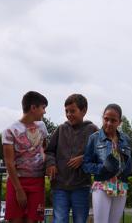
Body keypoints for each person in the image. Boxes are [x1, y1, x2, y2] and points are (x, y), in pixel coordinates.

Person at [45, 94, 98, 223]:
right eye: (66, 111)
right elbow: (49, 151)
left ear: (84, 110)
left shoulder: (93, 131)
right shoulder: (61, 129)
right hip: (59, 186)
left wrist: (84, 158)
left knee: (80, 220)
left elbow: (99, 154)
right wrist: (51, 163)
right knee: (59, 220)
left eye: (72, 111)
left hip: (81, 186)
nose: (69, 114)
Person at [2, 91, 48, 223]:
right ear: (33, 108)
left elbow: (44, 147)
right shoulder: (10, 131)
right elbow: (9, 163)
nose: (44, 112)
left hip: (37, 180)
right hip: (17, 181)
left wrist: (45, 158)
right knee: (16, 219)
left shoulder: (42, 126)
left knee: (33, 220)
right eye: (43, 108)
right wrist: (18, 190)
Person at [82, 103, 132, 223]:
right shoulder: (94, 138)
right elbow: (86, 164)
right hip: (102, 185)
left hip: (120, 185)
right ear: (102, 118)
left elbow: (129, 165)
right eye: (106, 119)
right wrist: (103, 168)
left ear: (120, 122)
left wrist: (128, 167)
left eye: (113, 120)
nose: (109, 123)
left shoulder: (125, 139)